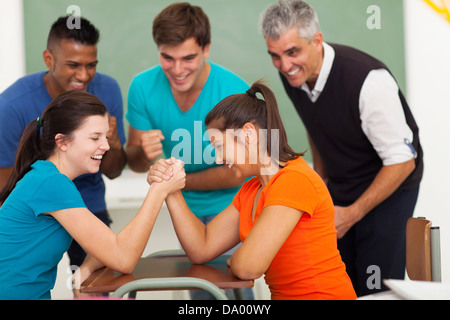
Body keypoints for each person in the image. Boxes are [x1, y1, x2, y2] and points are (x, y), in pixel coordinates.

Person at [259, 0, 423, 296]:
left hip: (391, 185)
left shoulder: (368, 80)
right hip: (343, 182)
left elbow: (402, 161)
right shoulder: (294, 74)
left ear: (317, 41)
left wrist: (352, 213)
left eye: (292, 52)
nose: (284, 66)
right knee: (340, 279)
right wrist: (321, 183)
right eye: (275, 55)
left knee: (375, 284)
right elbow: (316, 124)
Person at [149, 80, 357, 300]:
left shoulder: (294, 181)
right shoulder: (252, 188)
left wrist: (239, 257)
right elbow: (202, 247)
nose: (219, 159)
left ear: (248, 134)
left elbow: (248, 267)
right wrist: (170, 189)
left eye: (219, 147)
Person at [0, 91, 185, 300]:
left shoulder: (48, 177)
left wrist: (85, 269)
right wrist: (159, 190)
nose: (106, 146)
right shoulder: (51, 183)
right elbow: (123, 257)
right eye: (95, 138)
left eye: (106, 137)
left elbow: (104, 241)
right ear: (62, 142)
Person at [125, 2, 251, 299]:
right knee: (202, 291)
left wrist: (176, 183)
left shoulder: (234, 91)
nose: (178, 70)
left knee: (235, 290)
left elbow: (237, 175)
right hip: (183, 210)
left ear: (206, 49)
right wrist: (143, 153)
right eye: (167, 58)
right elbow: (134, 162)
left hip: (231, 207)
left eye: (188, 58)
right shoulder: (142, 87)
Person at [0, 16, 127, 272]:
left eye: (91, 65)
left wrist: (111, 141)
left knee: (95, 285)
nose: (83, 75)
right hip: (37, 211)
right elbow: (6, 184)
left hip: (89, 205)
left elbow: (113, 171)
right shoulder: (12, 105)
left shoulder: (108, 89)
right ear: (49, 59)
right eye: (73, 65)